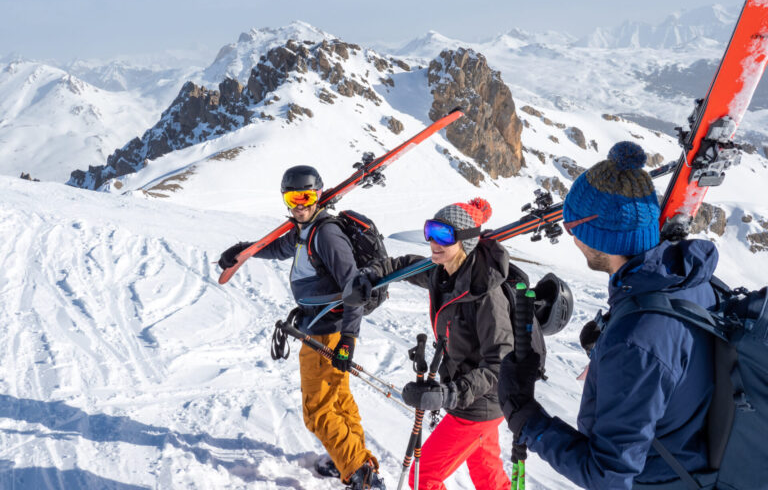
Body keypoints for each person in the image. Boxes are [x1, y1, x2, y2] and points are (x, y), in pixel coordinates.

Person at [498, 142, 718, 489]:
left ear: (600, 238)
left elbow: (609, 476)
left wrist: (526, 419)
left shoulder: (637, 342)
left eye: (573, 229)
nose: (571, 237)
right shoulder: (685, 279)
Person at [217, 165, 384, 489]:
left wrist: (348, 338)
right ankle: (352, 461)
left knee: (317, 412)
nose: (300, 205)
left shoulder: (327, 234)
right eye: (293, 198)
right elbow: (277, 248)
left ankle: (360, 477)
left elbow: (355, 288)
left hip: (326, 333)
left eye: (306, 197)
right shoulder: (301, 232)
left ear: (319, 195)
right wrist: (243, 251)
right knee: (337, 400)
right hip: (321, 327)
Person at [345, 198, 514, 490]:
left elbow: (500, 364)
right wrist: (372, 273)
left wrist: (449, 394)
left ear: (465, 242)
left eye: (444, 235)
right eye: (430, 231)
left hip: (477, 404)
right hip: (475, 400)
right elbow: (403, 265)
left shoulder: (487, 295)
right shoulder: (442, 272)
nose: (433, 242)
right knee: (488, 477)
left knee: (423, 476)